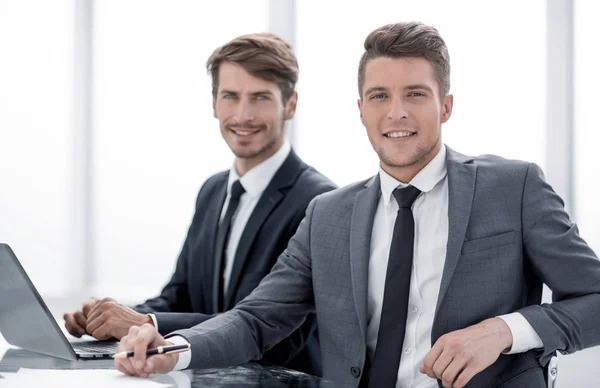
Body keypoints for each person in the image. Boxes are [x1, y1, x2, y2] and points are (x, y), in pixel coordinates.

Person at [113, 22, 600, 388]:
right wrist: (174, 350)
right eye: (380, 96)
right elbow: (257, 318)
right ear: (361, 109)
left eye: (416, 94)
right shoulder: (329, 214)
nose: (397, 112)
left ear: (445, 106)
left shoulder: (512, 187)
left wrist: (505, 331)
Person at [63, 32, 336, 375]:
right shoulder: (213, 191)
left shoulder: (319, 202)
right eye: (231, 96)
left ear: (290, 104)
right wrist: (110, 317)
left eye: (260, 97)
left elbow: (273, 330)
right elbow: (178, 296)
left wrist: (145, 321)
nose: (243, 115)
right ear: (214, 103)